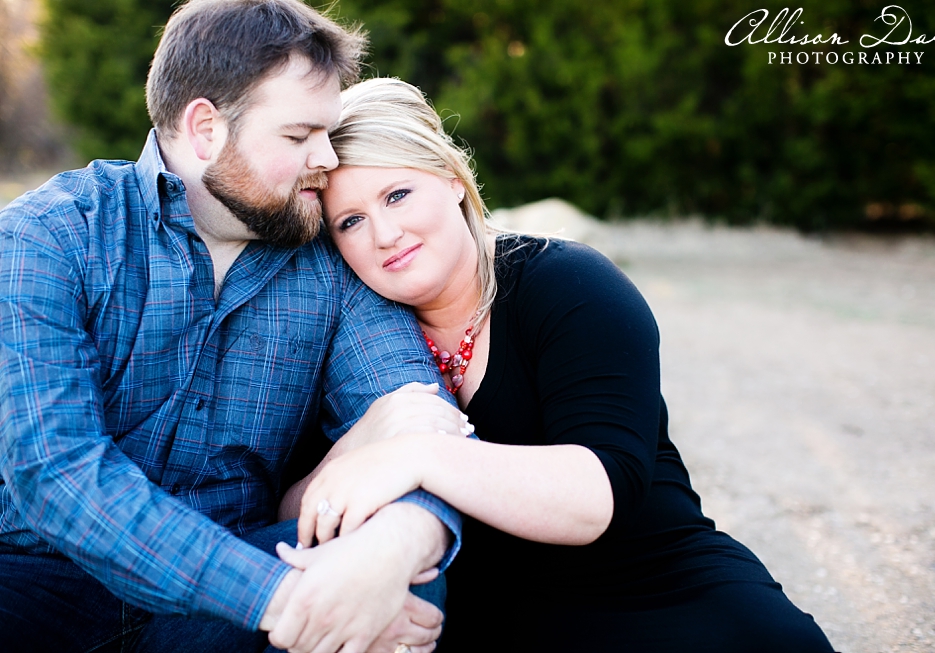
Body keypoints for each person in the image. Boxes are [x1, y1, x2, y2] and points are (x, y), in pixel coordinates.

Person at [285, 77, 838, 653]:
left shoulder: (566, 282)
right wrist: (364, 444)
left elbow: (600, 493)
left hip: (658, 585)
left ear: (452, 180)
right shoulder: (350, 338)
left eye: (397, 194)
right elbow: (289, 504)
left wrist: (416, 454)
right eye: (350, 221)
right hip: (490, 619)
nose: (385, 233)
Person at [0, 3, 469, 652]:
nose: (327, 159)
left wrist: (398, 547)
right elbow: (59, 474)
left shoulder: (329, 266)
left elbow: (420, 415)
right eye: (299, 136)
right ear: (205, 129)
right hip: (43, 582)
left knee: (400, 575)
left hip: (224, 599)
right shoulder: (51, 236)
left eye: (328, 133)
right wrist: (282, 598)